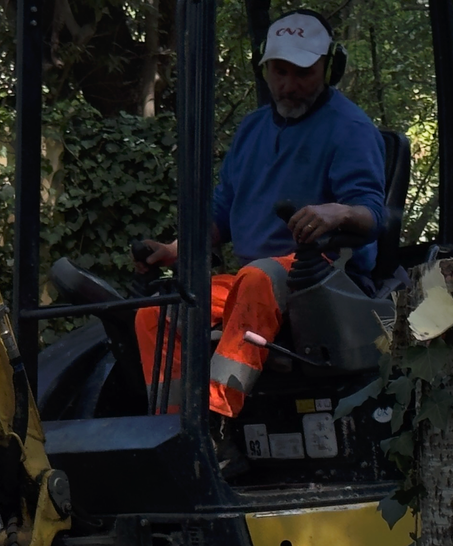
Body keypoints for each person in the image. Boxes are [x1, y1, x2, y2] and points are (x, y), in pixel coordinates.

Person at [134, 9, 389, 418]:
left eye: (303, 73)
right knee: (159, 310)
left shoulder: (351, 129)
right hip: (256, 277)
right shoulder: (252, 129)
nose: (288, 86)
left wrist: (336, 212)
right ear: (264, 68)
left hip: (323, 278)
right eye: (279, 72)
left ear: (330, 68)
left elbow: (372, 215)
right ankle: (173, 429)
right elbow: (222, 213)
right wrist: (174, 249)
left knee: (257, 279)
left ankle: (214, 425)